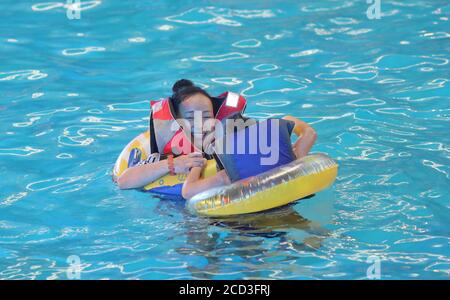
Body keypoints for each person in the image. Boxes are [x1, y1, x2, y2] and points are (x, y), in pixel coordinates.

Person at [181, 114, 317, 199]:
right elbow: (310, 133)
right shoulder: (290, 158)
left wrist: (198, 163)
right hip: (287, 209)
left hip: (248, 224)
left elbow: (187, 192)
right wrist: (287, 118)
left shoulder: (227, 176)